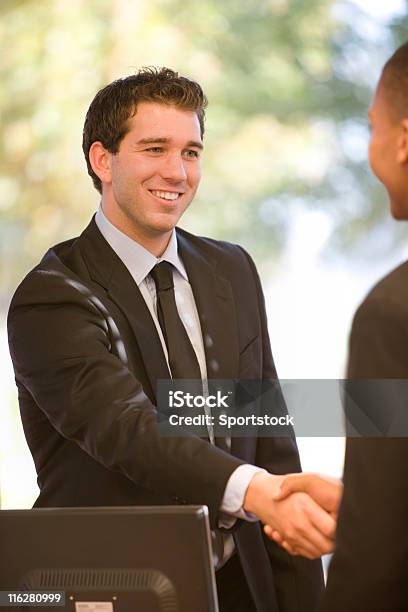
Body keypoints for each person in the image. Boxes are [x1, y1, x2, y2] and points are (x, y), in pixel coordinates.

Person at [7, 68, 332, 611]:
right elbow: (126, 426)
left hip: (241, 586)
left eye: (191, 152)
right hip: (115, 588)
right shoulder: (52, 297)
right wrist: (257, 491)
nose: (176, 171)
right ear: (102, 160)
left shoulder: (232, 269)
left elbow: (265, 427)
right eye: (155, 148)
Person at [269, 41, 408, 611]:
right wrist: (366, 504)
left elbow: (374, 567)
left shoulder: (391, 312)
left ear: (401, 142)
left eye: (371, 127)